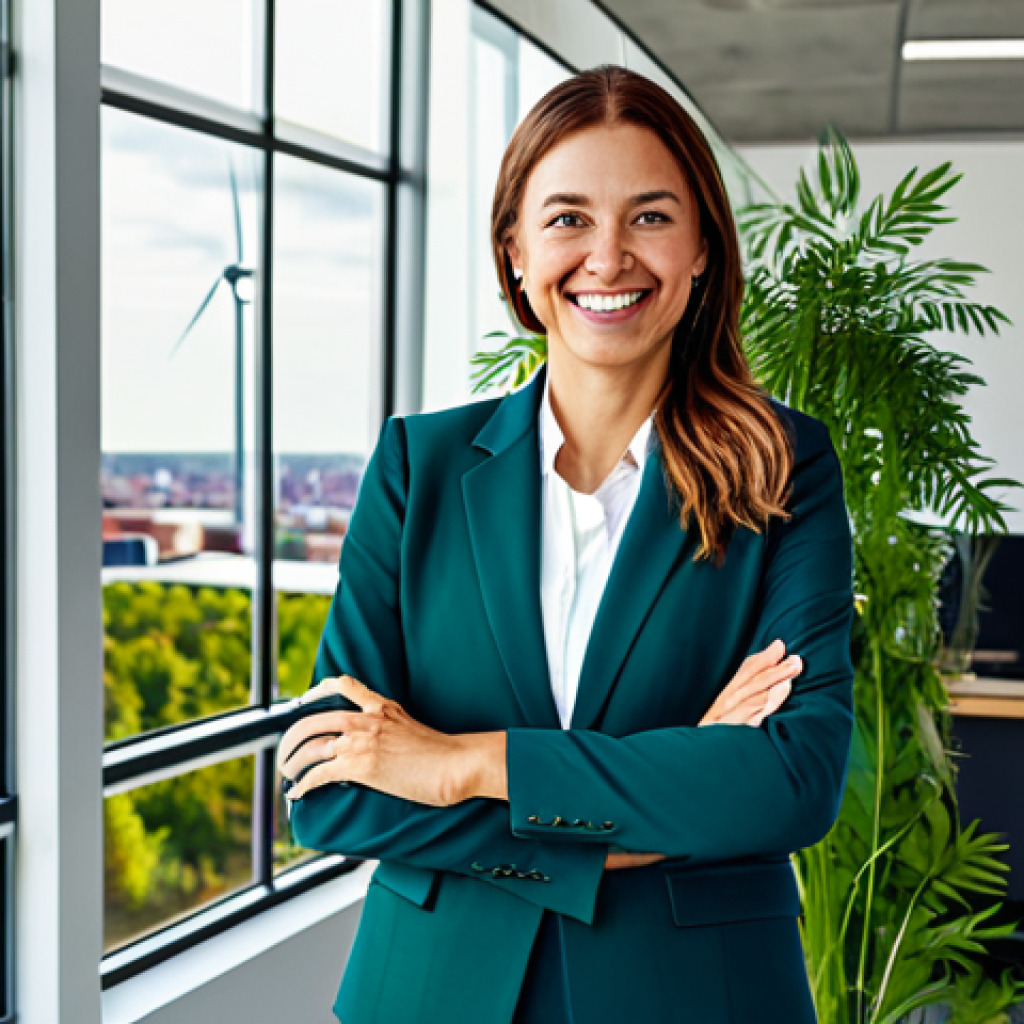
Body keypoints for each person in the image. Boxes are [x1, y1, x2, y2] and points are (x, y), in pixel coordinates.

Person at [277, 64, 854, 1024]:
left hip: (693, 997)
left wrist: (462, 762)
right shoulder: (417, 468)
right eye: (568, 218)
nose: (609, 256)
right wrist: (670, 789)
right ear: (513, 251)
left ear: (704, 246)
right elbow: (332, 789)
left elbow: (789, 783)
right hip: (430, 992)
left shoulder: (782, 468)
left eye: (652, 217)